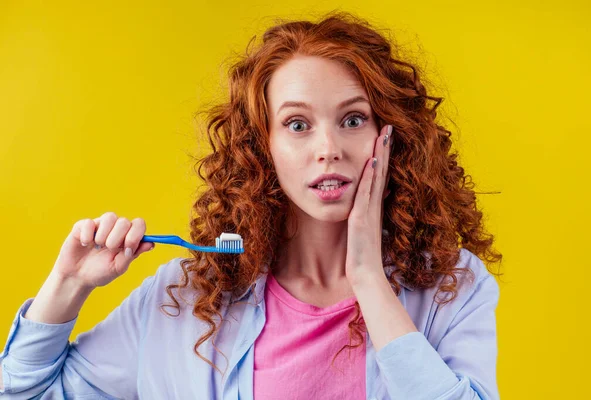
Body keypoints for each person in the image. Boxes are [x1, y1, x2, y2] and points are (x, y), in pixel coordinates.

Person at [0, 11, 503, 400]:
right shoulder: (185, 299)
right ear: (263, 147)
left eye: (352, 119)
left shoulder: (452, 289)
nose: (328, 147)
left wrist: (369, 279)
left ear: (390, 135)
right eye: (298, 124)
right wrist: (67, 285)